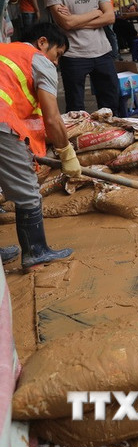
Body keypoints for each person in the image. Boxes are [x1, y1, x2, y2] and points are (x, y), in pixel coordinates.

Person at [0, 22, 76, 269]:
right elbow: (52, 118)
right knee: (27, 190)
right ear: (43, 42)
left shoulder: (4, 51)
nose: (56, 62)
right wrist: (67, 154)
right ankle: (36, 251)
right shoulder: (37, 59)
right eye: (58, 54)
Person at [41, 0, 119, 115]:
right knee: (76, 110)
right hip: (73, 55)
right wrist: (95, 12)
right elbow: (65, 24)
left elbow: (110, 17)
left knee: (111, 106)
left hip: (102, 52)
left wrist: (75, 20)